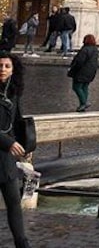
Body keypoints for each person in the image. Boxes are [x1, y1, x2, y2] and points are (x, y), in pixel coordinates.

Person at [0, 52, 32, 248]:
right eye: (0, 65)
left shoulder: (14, 92)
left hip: (6, 158)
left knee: (14, 203)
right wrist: (8, 143)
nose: (2, 69)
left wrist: (26, 145)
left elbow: (17, 121)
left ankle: (22, 244)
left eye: (6, 66)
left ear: (13, 70)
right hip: (4, 148)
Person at [67, 34, 99, 112]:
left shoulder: (85, 50)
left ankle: (84, 103)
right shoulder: (95, 49)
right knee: (84, 87)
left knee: (77, 87)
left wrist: (72, 69)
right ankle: (83, 103)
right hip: (91, 71)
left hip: (82, 71)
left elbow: (79, 62)